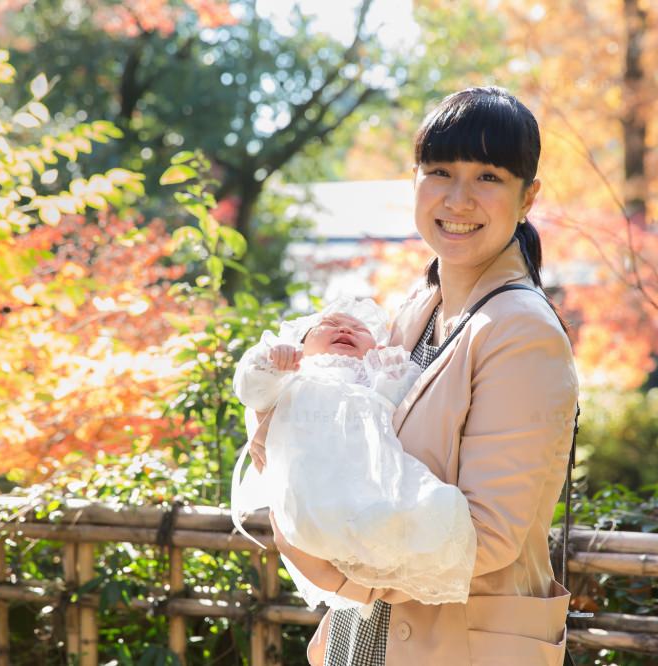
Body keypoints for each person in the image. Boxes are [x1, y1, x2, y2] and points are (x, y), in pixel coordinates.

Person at [246, 86, 579, 665]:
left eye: (489, 177)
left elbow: (490, 536)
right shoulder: (415, 310)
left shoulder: (520, 331)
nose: (458, 198)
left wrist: (332, 564)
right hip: (367, 642)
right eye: (440, 170)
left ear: (528, 198)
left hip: (465, 646)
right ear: (416, 181)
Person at [230, 297, 476, 618]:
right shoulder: (294, 375)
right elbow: (252, 391)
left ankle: (389, 534)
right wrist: (270, 363)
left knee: (425, 503)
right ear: (301, 340)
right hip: (309, 480)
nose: (345, 328)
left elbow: (404, 410)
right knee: (315, 509)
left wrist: (391, 378)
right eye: (329, 324)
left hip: (368, 474)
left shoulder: (371, 376)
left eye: (359, 329)